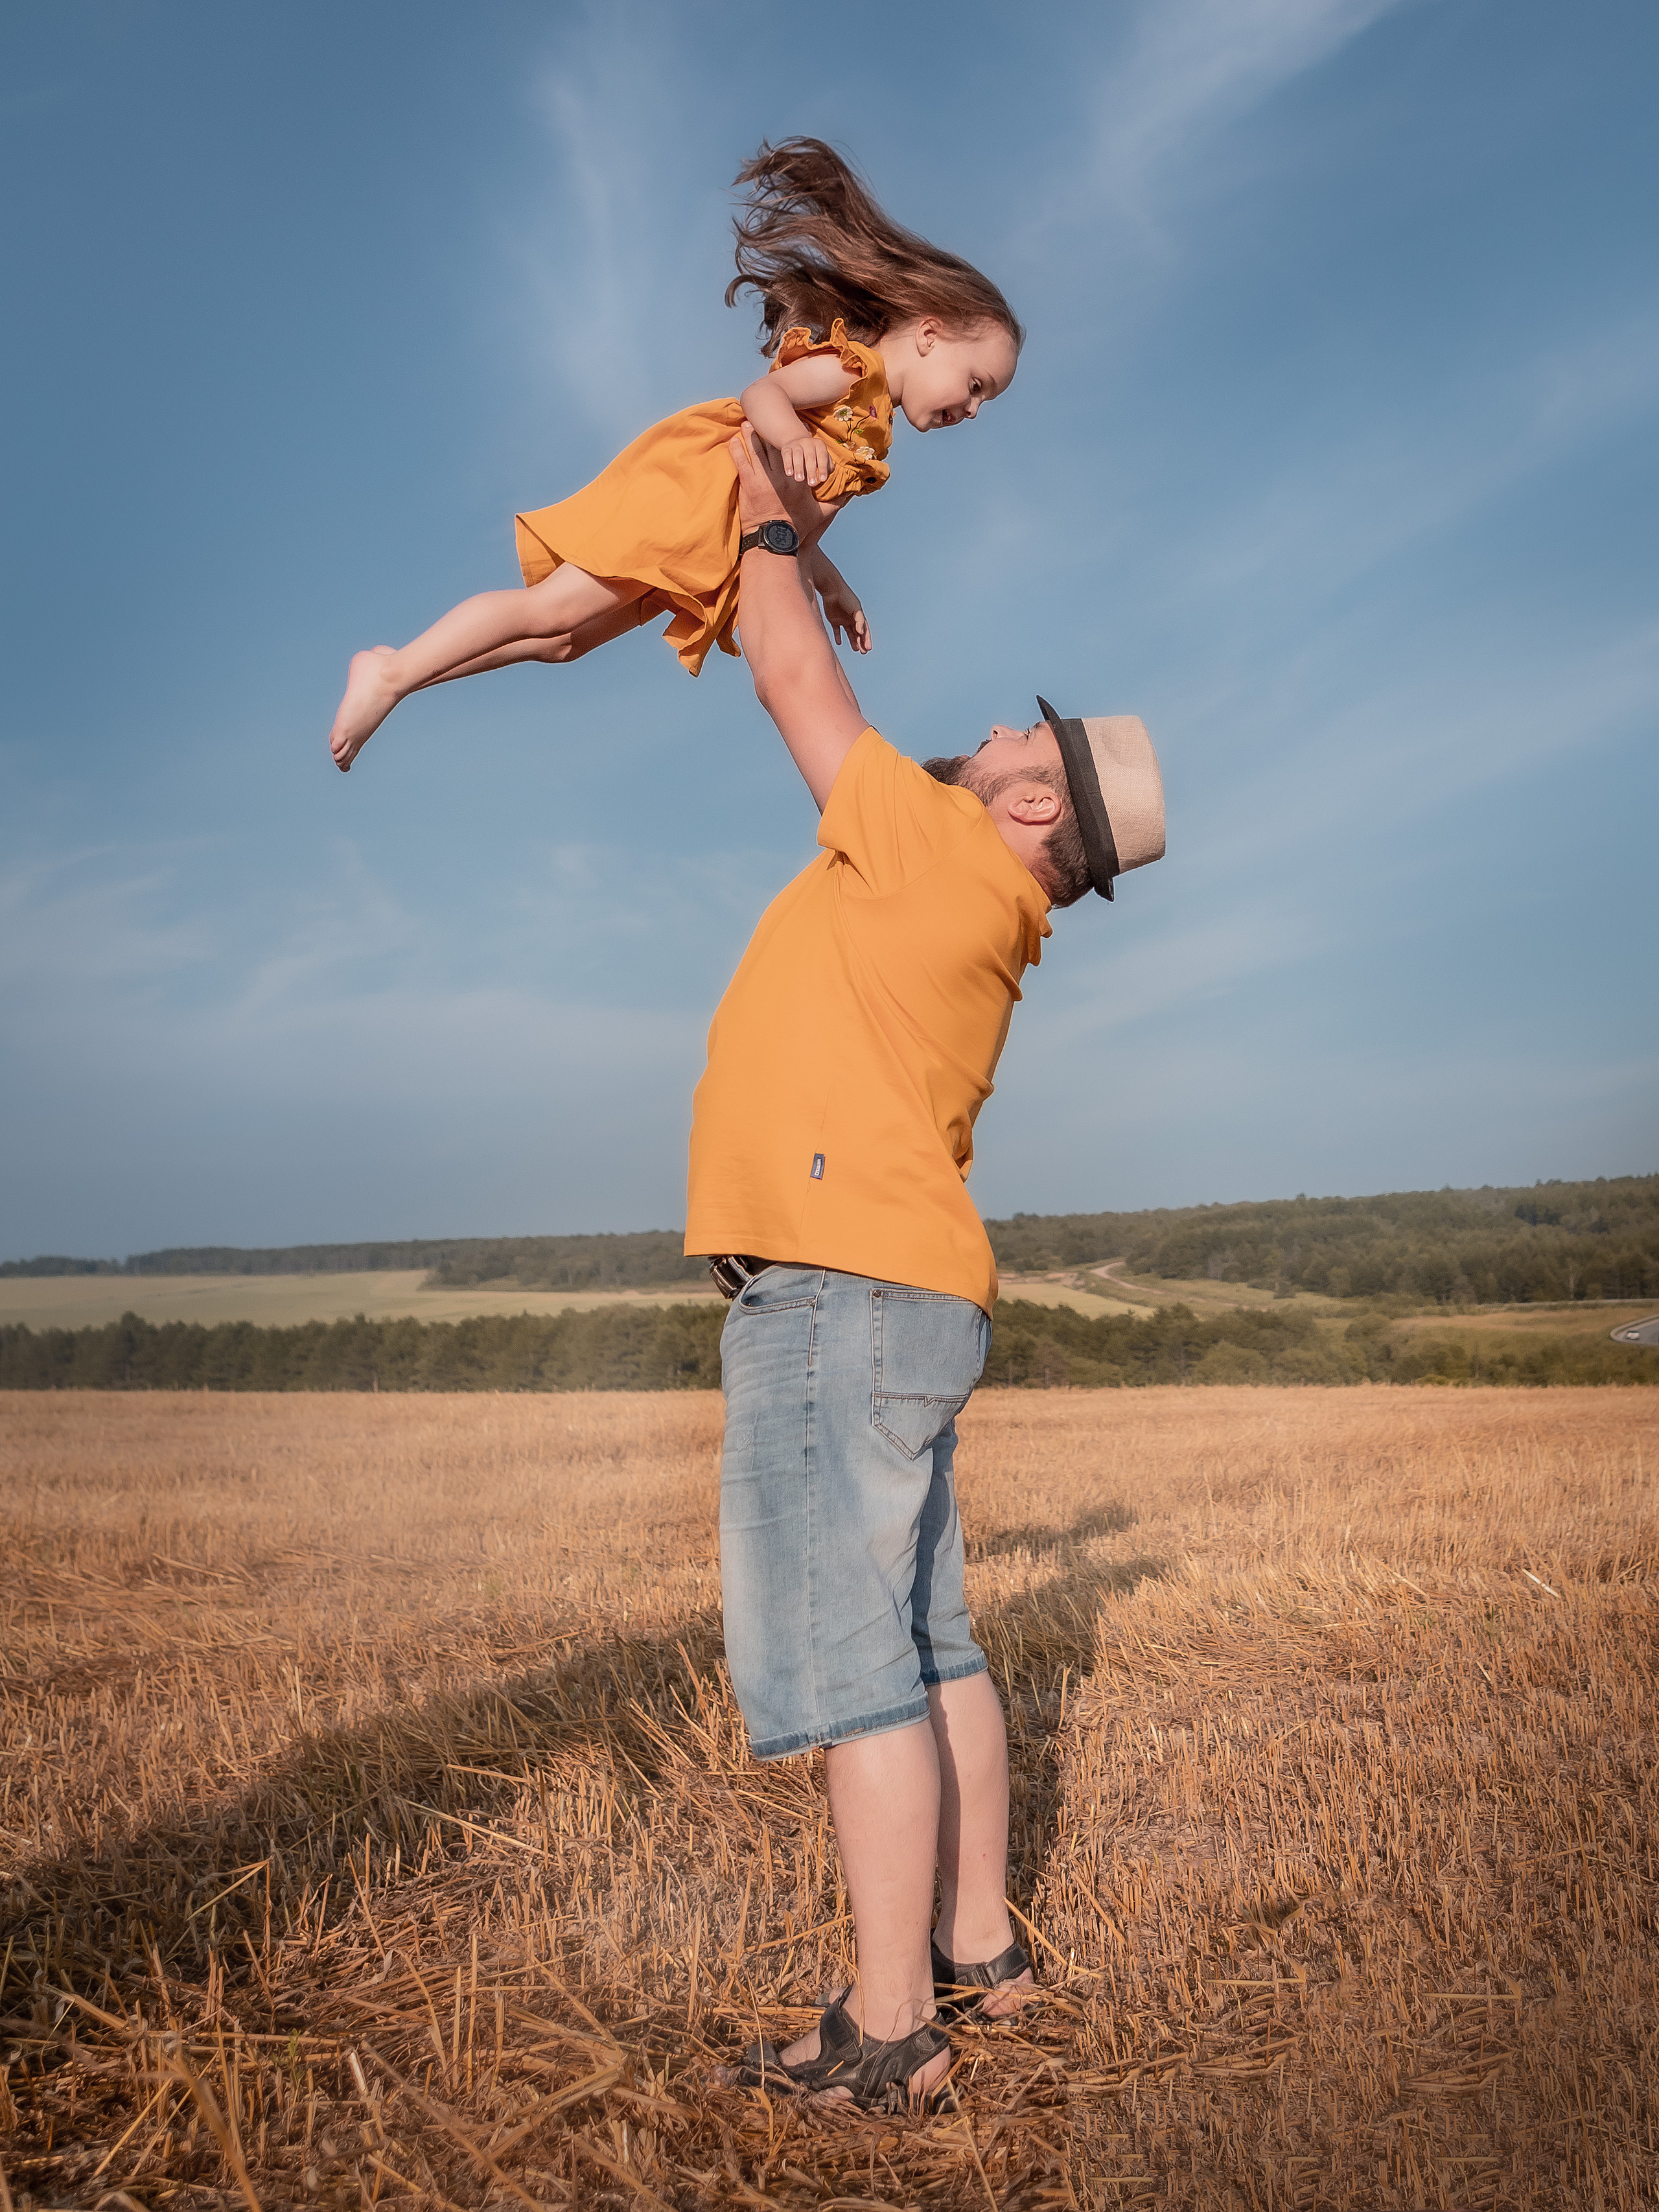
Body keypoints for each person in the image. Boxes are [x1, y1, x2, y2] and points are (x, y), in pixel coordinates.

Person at [690, 428, 1166, 2113]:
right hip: (913, 1288)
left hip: (838, 1283)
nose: (992, 731)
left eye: (1018, 737)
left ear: (1035, 801)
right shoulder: (992, 905)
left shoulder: (935, 842)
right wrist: (812, 543)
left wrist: (763, 497)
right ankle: (983, 1951)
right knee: (936, 1636)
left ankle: (892, 2030)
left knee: (858, 1664)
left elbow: (778, 666)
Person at [327, 139, 1022, 771]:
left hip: (709, 540)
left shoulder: (873, 430)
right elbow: (765, 395)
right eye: (976, 384)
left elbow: (788, 520)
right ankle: (390, 675)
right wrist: (791, 435)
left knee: (564, 642)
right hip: (688, 499)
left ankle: (402, 674)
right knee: (548, 612)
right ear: (929, 334)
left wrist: (830, 583)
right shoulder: (853, 371)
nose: (974, 408)